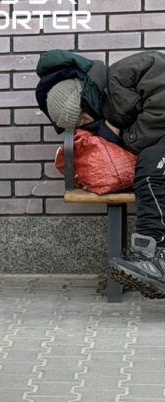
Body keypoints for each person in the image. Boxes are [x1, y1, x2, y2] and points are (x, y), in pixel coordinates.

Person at [37, 49, 165, 299]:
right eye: (81, 123)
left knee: (151, 170)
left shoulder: (121, 75)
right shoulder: (108, 107)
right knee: (150, 167)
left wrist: (125, 135)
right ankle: (151, 255)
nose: (87, 122)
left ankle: (155, 256)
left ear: (85, 98)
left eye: (84, 115)